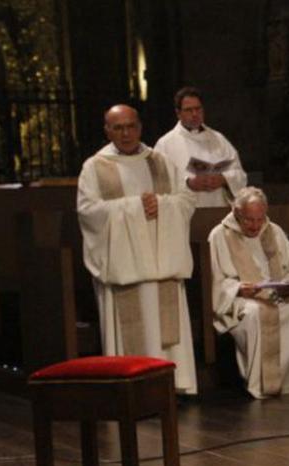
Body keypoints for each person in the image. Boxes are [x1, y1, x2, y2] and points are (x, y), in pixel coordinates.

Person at [76, 104, 199, 394]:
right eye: (118, 127)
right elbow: (88, 211)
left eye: (131, 126)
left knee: (167, 327)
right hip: (124, 268)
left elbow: (186, 200)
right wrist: (133, 207)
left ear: (140, 127)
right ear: (107, 131)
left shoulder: (161, 162)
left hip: (162, 268)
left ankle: (175, 386)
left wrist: (164, 205)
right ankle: (132, 390)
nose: (126, 133)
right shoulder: (95, 167)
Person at [209, 187, 289, 398]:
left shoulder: (273, 230)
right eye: (249, 220)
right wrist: (239, 288)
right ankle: (267, 384)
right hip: (242, 299)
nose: (256, 226)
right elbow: (216, 279)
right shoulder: (220, 235)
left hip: (276, 294)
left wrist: (288, 283)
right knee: (258, 313)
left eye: (260, 219)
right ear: (236, 212)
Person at [154, 87, 247, 208]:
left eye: (198, 109)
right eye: (188, 110)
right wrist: (188, 183)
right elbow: (157, 181)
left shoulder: (218, 139)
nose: (194, 114)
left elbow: (240, 174)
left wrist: (223, 179)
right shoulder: (165, 144)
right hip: (183, 211)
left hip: (217, 209)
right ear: (178, 113)